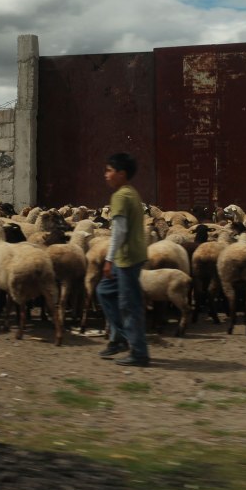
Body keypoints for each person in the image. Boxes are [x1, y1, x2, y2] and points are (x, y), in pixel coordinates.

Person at [95, 153, 150, 367]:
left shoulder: (120, 196)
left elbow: (119, 231)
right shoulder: (131, 193)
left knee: (129, 304)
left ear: (121, 173)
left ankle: (139, 353)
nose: (106, 175)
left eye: (109, 171)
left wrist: (108, 260)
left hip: (126, 258)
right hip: (130, 256)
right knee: (104, 291)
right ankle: (119, 338)